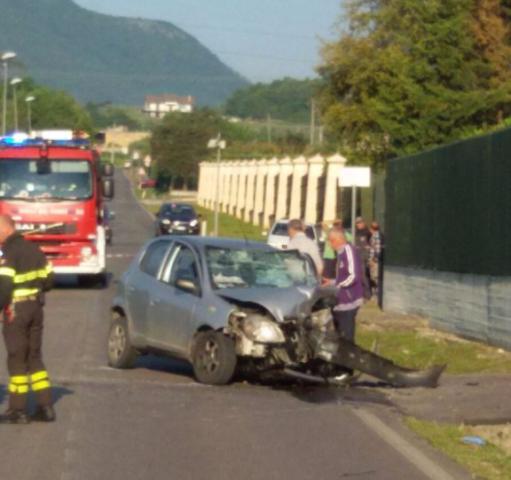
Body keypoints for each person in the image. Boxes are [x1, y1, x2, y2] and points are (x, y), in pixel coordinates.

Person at [0, 215, 55, 424]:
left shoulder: (9, 253)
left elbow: (4, 288)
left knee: (16, 358)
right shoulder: (35, 250)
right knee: (34, 356)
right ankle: (46, 406)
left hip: (16, 310)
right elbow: (49, 280)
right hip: (35, 308)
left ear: (5, 230)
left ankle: (18, 409)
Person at [327, 226, 364, 343]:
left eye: (330, 240)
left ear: (337, 240)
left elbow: (353, 276)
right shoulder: (340, 253)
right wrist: (332, 282)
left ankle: (351, 356)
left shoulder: (348, 251)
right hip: (340, 301)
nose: (329, 244)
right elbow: (342, 276)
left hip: (350, 301)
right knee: (340, 335)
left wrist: (337, 286)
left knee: (347, 336)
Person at [354, 217, 372, 299]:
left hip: (364, 256)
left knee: (364, 275)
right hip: (358, 256)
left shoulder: (367, 232)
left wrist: (369, 249)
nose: (358, 224)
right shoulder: (356, 232)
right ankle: (361, 292)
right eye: (357, 223)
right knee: (359, 275)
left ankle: (367, 294)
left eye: (360, 223)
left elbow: (372, 244)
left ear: (363, 223)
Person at [369, 221, 384, 291]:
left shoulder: (376, 236)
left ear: (372, 228)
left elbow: (377, 249)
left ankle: (378, 292)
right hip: (375, 259)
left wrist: (373, 259)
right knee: (374, 276)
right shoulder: (378, 235)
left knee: (375, 276)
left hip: (375, 260)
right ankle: (377, 290)